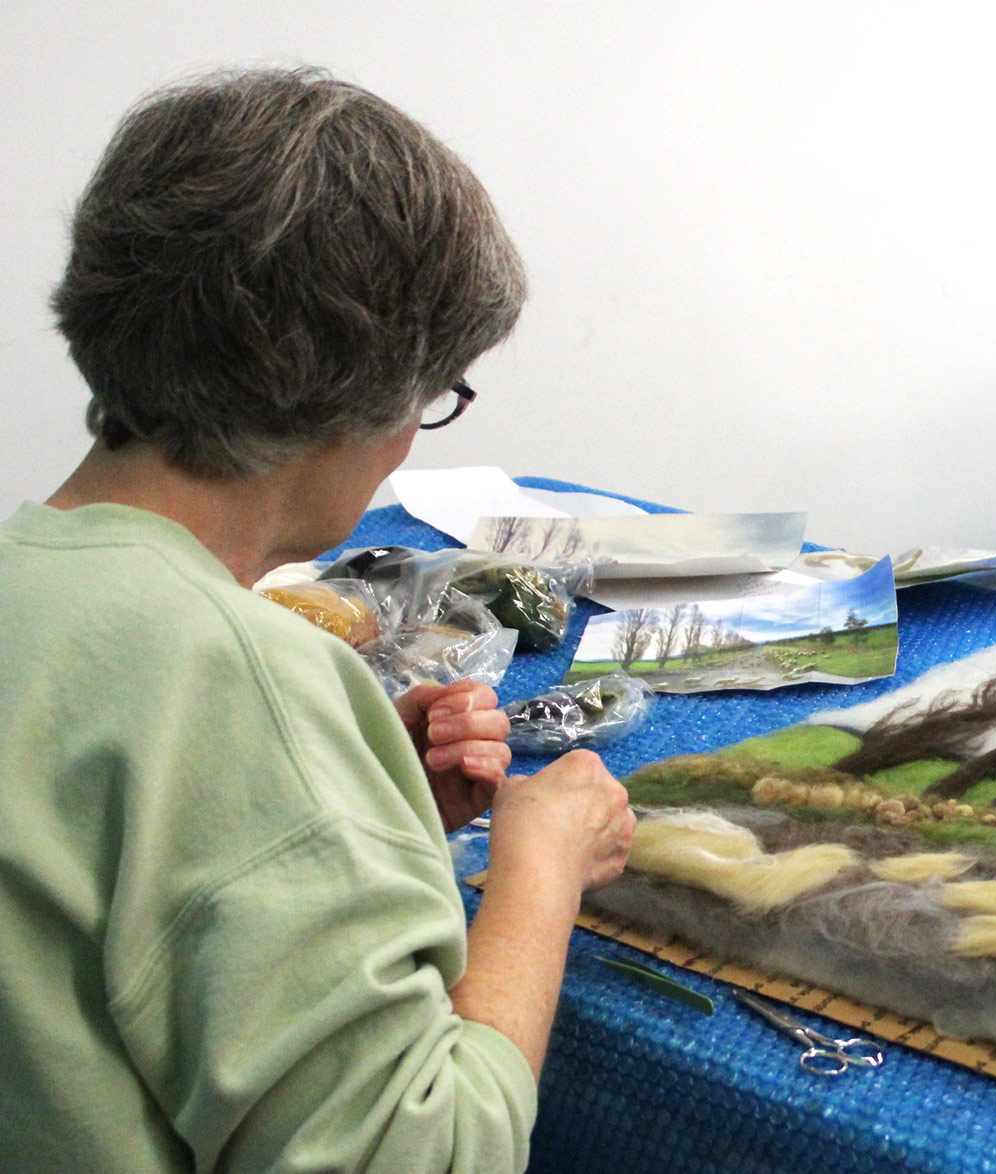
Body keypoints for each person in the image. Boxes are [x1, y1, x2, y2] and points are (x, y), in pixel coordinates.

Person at [0, 68, 635, 1172]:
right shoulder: (237, 675)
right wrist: (541, 869)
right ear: (357, 394)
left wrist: (350, 803)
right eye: (430, 394)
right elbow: (428, 1150)